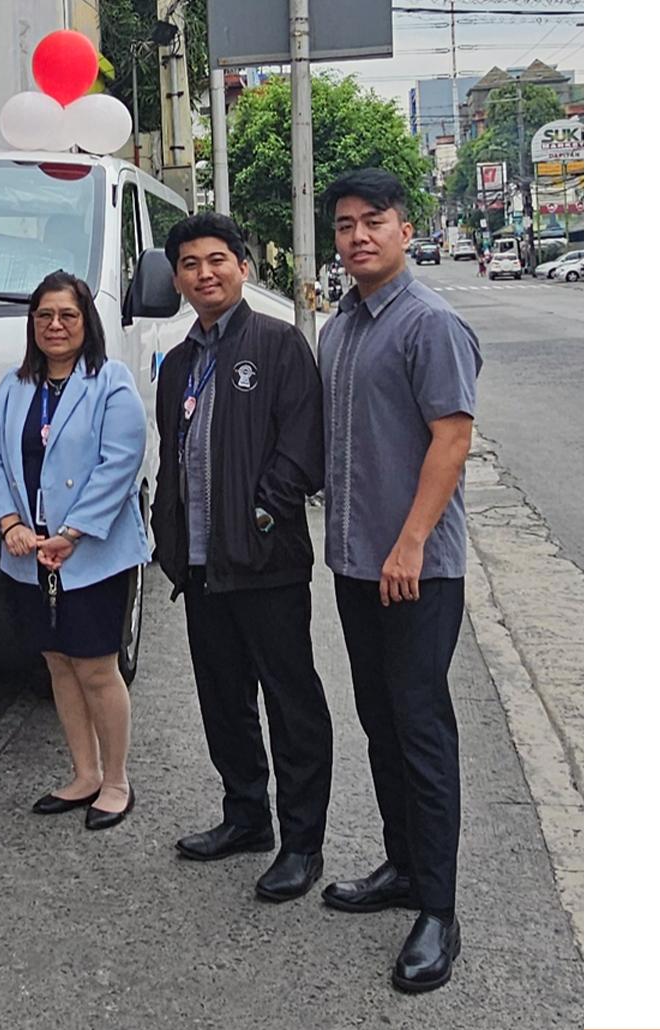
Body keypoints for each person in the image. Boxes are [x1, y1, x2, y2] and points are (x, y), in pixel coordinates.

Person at [316, 169, 482, 993]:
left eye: (372, 221)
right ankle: (403, 866)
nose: (357, 236)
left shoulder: (429, 323)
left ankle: (439, 912)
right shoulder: (339, 329)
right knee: (380, 719)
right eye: (344, 225)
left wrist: (411, 543)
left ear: (405, 229)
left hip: (416, 568)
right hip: (355, 562)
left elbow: (451, 440)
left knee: (421, 728)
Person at [150, 213, 333, 902]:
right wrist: (171, 537)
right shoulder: (179, 361)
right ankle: (246, 817)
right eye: (191, 263)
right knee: (223, 700)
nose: (206, 273)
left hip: (266, 561)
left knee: (292, 704)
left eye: (218, 259)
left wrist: (262, 512)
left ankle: (302, 843)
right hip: (202, 567)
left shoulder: (280, 344)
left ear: (244, 267)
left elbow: (303, 448)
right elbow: (175, 456)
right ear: (178, 278)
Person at [0, 271, 151, 831]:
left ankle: (117, 780)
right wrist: (9, 524)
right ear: (32, 324)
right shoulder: (14, 386)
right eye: (45, 316)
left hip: (90, 552)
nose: (55, 326)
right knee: (56, 663)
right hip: (29, 554)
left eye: (68, 316)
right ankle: (84, 773)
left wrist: (73, 532)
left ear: (86, 323)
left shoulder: (111, 381)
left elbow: (120, 462)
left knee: (97, 667)